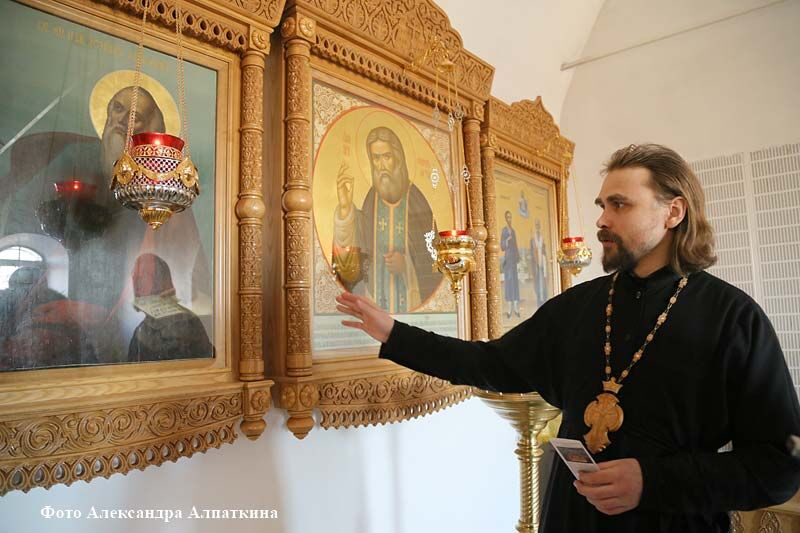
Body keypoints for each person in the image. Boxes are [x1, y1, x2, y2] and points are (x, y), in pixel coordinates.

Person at [335, 143, 800, 533]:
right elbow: (489, 364)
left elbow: (778, 467)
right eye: (601, 206)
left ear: (673, 212)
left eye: (620, 205)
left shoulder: (732, 318)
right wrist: (394, 334)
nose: (602, 220)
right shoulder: (580, 306)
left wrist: (653, 481)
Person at [333, 126, 438, 312]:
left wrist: (406, 266)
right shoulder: (371, 199)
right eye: (376, 158)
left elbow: (433, 262)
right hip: (375, 306)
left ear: (398, 158)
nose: (381, 165)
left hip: (411, 310)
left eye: (386, 157)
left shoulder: (417, 201)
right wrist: (345, 208)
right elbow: (356, 251)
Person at [500, 210, 521, 318]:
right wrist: (507, 240)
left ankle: (516, 308)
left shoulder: (513, 231)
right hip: (508, 260)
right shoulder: (504, 231)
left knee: (515, 283)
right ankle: (509, 309)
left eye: (510, 217)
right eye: (507, 217)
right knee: (509, 283)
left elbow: (516, 245)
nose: (509, 219)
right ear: (505, 218)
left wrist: (518, 259)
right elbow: (502, 246)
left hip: (513, 260)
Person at [530, 218, 549, 308]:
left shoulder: (542, 238)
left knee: (543, 283)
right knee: (538, 283)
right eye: (536, 225)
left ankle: (544, 300)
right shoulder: (533, 239)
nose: (537, 226)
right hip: (536, 264)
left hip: (543, 263)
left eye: (538, 225)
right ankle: (539, 300)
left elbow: (544, 250)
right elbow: (532, 252)